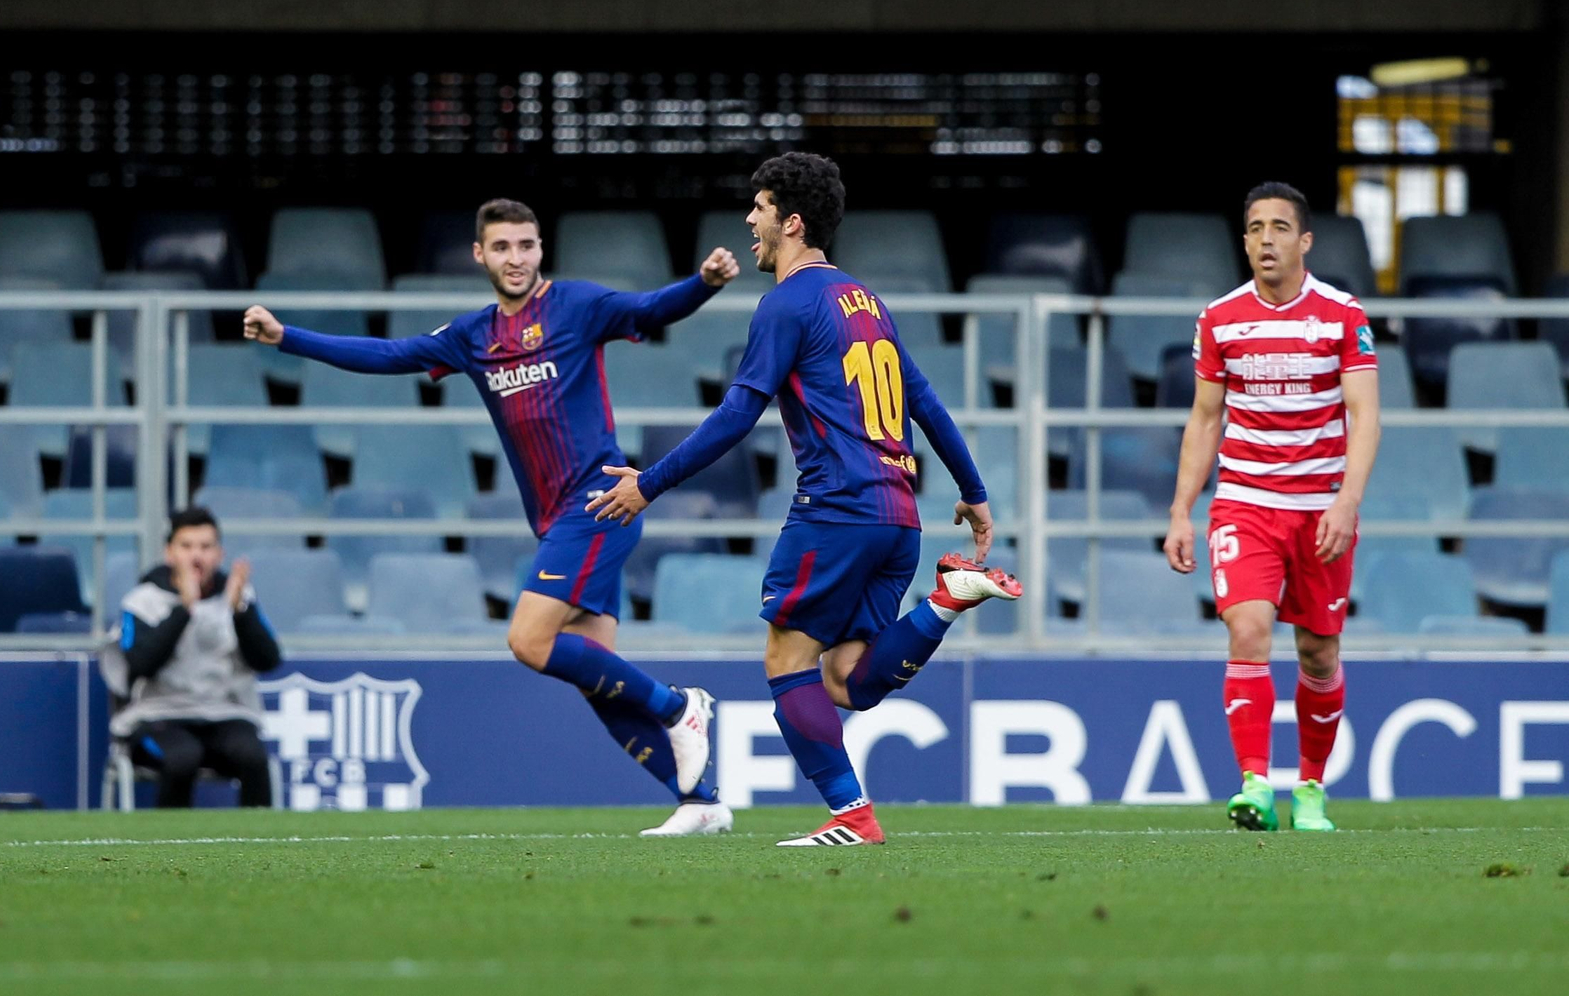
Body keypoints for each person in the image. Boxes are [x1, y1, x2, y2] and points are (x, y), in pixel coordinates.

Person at [243, 198, 739, 836]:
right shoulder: (474, 337)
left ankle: (679, 709)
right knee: (597, 677)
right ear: (480, 254)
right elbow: (387, 355)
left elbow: (650, 310)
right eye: (502, 247)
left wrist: (702, 284)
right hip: (557, 517)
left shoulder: (577, 307)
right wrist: (289, 338)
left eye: (526, 245)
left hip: (599, 502)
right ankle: (699, 800)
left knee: (528, 641)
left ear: (540, 250)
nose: (516, 258)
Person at [588, 152, 1021, 847]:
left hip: (836, 510)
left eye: (758, 208)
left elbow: (735, 417)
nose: (749, 220)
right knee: (848, 678)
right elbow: (927, 400)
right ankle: (946, 600)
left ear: (791, 222)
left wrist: (648, 483)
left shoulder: (786, 303)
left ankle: (852, 813)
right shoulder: (866, 301)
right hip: (897, 515)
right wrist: (974, 491)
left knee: (786, 663)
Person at [1162, 181, 1380, 833]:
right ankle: (1255, 783)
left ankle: (1309, 789)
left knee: (1318, 652)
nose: (1265, 240)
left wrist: (1347, 500)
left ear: (1304, 240)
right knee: (1248, 629)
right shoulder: (1220, 319)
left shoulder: (1342, 315)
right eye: (1255, 228)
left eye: (1280, 228)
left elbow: (1365, 414)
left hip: (1320, 509)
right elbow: (1204, 421)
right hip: (1245, 505)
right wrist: (1181, 511)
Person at [111, 507, 282, 807]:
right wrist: (184, 610)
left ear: (219, 553)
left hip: (224, 713)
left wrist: (241, 613)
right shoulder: (142, 601)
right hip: (159, 714)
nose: (196, 557)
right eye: (186, 546)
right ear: (169, 553)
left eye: (205, 547)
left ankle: (260, 847)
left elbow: (268, 660)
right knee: (182, 757)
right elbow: (139, 664)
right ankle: (169, 848)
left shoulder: (238, 596)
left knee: (253, 756)